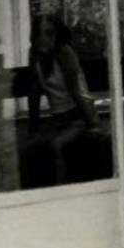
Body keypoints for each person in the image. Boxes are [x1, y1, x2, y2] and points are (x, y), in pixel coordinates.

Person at [27, 14, 98, 185]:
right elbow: (34, 93)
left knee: (56, 146)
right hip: (58, 119)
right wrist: (34, 127)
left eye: (49, 33)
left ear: (58, 35)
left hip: (79, 114)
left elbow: (76, 92)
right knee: (29, 147)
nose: (43, 39)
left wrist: (93, 125)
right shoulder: (34, 55)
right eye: (39, 34)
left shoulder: (64, 52)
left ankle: (63, 189)